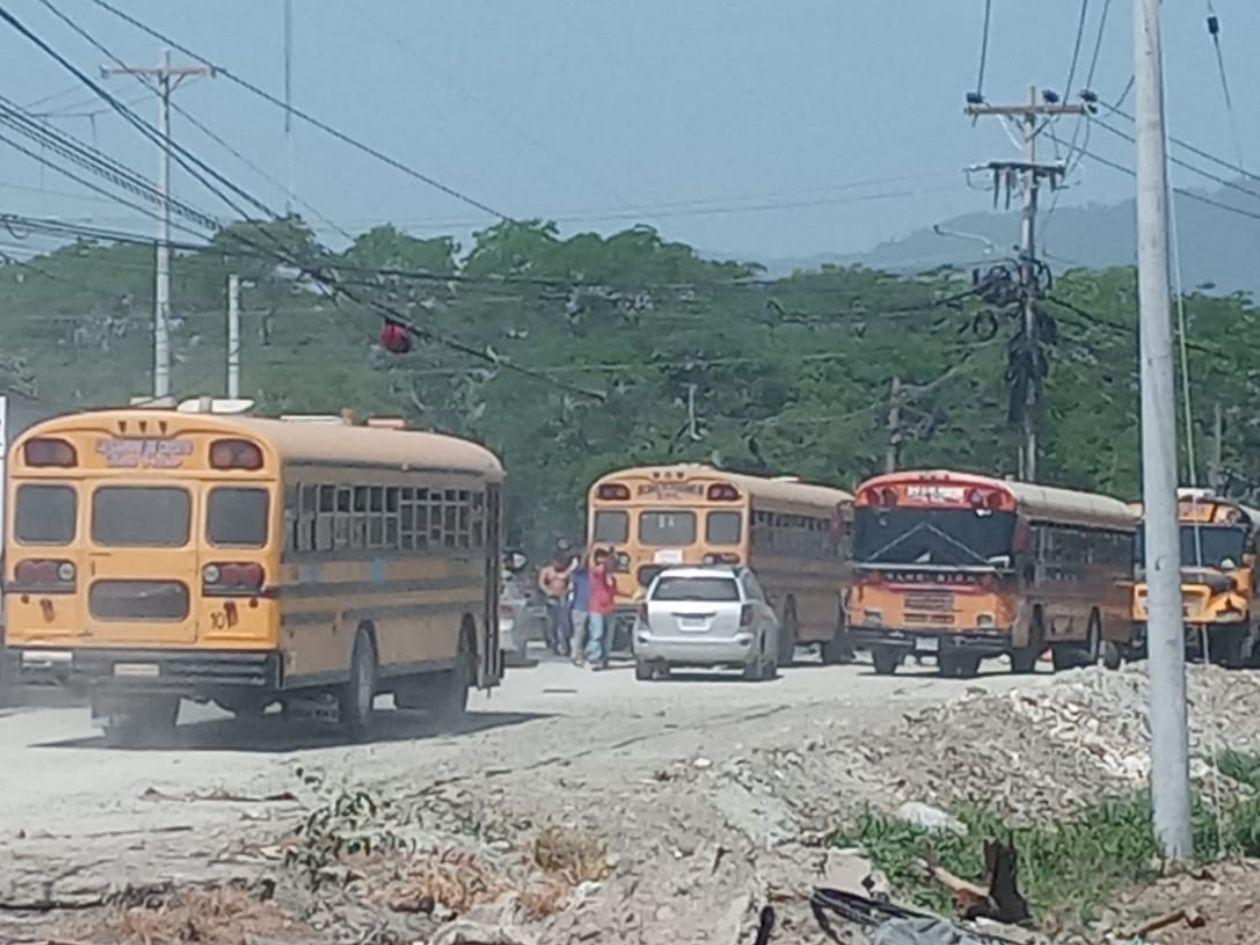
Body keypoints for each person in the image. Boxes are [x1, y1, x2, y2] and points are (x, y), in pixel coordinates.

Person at [538, 544, 576, 656]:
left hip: (563, 598)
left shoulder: (567, 571)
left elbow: (571, 582)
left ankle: (565, 643)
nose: (559, 564)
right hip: (551, 599)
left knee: (564, 622)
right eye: (557, 561)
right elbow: (541, 583)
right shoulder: (547, 570)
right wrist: (548, 591)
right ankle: (553, 643)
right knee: (551, 623)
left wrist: (567, 590)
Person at [585, 547, 618, 669]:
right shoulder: (596, 572)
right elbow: (600, 567)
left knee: (608, 637)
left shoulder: (611, 578)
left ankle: (604, 658)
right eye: (601, 558)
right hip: (596, 608)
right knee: (597, 633)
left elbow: (613, 592)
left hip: (609, 609)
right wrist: (610, 556)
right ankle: (594, 658)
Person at [569, 549, 592, 667]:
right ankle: (576, 655)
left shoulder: (591, 573)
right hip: (579, 607)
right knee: (579, 632)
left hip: (591, 607)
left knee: (589, 633)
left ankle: (585, 654)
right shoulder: (577, 574)